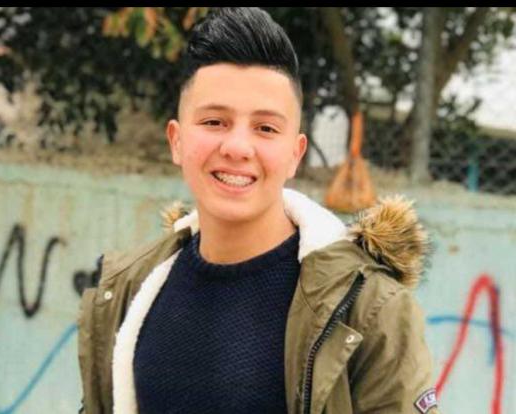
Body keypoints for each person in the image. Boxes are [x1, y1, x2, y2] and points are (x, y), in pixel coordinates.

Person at [77, 7, 440, 414]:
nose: (237, 147)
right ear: (176, 141)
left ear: (295, 154)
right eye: (214, 122)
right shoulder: (130, 290)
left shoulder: (366, 309)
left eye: (265, 128)